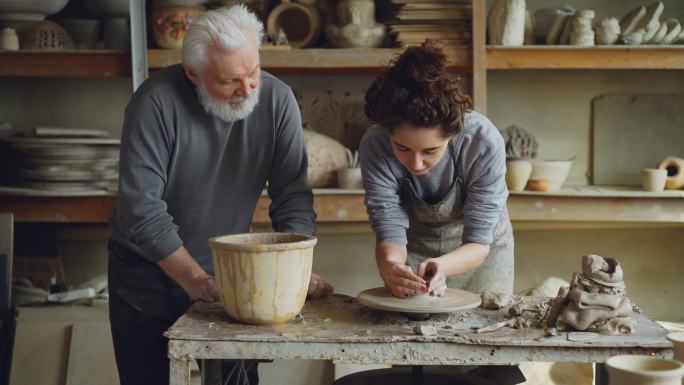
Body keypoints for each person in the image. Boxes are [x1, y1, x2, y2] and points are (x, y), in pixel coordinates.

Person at [108, 6, 331, 385]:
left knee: (237, 381)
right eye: (230, 80)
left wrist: (296, 268)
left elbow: (292, 195)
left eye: (254, 72)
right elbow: (140, 209)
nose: (247, 90)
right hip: (147, 269)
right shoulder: (154, 103)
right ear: (193, 73)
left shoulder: (277, 100)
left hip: (232, 266)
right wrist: (195, 280)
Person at [360, 40, 514, 299]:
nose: (416, 164)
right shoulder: (375, 145)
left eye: (431, 151)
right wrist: (391, 267)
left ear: (452, 135)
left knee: (488, 325)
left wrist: (442, 265)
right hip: (415, 249)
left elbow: (477, 242)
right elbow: (389, 229)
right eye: (403, 148)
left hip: (480, 250)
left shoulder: (482, 142)